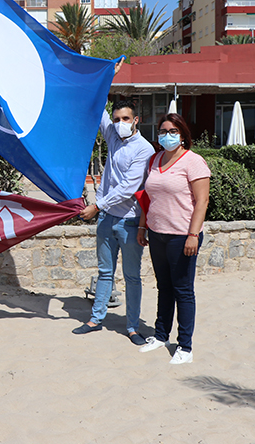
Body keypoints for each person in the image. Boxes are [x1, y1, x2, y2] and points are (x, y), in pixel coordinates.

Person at [74, 91, 155, 345]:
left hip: (129, 221)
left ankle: (131, 327)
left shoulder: (144, 149)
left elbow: (128, 188)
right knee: (105, 272)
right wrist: (106, 76)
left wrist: (97, 206)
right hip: (107, 219)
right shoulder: (112, 136)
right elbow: (98, 110)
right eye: (117, 118)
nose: (120, 123)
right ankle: (96, 319)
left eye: (125, 118)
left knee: (131, 277)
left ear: (136, 120)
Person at [136, 113, 210, 365]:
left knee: (183, 290)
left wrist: (192, 235)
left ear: (182, 135)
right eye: (163, 130)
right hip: (157, 234)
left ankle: (185, 347)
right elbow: (148, 198)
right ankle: (160, 335)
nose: (167, 135)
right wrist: (143, 226)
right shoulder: (154, 160)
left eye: (173, 131)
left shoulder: (194, 162)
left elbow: (202, 202)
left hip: (182, 236)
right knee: (164, 287)